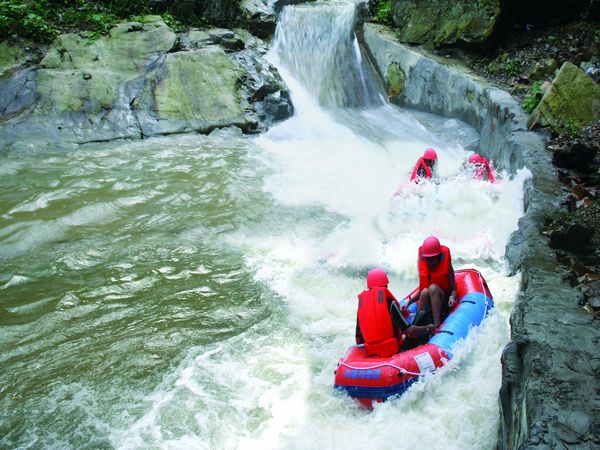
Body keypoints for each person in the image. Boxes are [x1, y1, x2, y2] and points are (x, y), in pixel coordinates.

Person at [355, 268, 436, 357]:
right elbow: (410, 332)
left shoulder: (362, 305)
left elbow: (359, 340)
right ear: (386, 285)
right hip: (393, 351)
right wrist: (429, 328)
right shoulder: (389, 302)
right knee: (421, 315)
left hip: (371, 352)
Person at [403, 236, 457, 329]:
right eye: (428, 259)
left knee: (433, 288)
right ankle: (416, 325)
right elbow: (420, 290)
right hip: (430, 304)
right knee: (424, 292)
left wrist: (452, 297)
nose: (430, 262)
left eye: (433, 258)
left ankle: (437, 325)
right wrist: (408, 302)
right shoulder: (424, 267)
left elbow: (453, 290)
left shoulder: (447, 266)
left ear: (439, 256)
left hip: (443, 301)